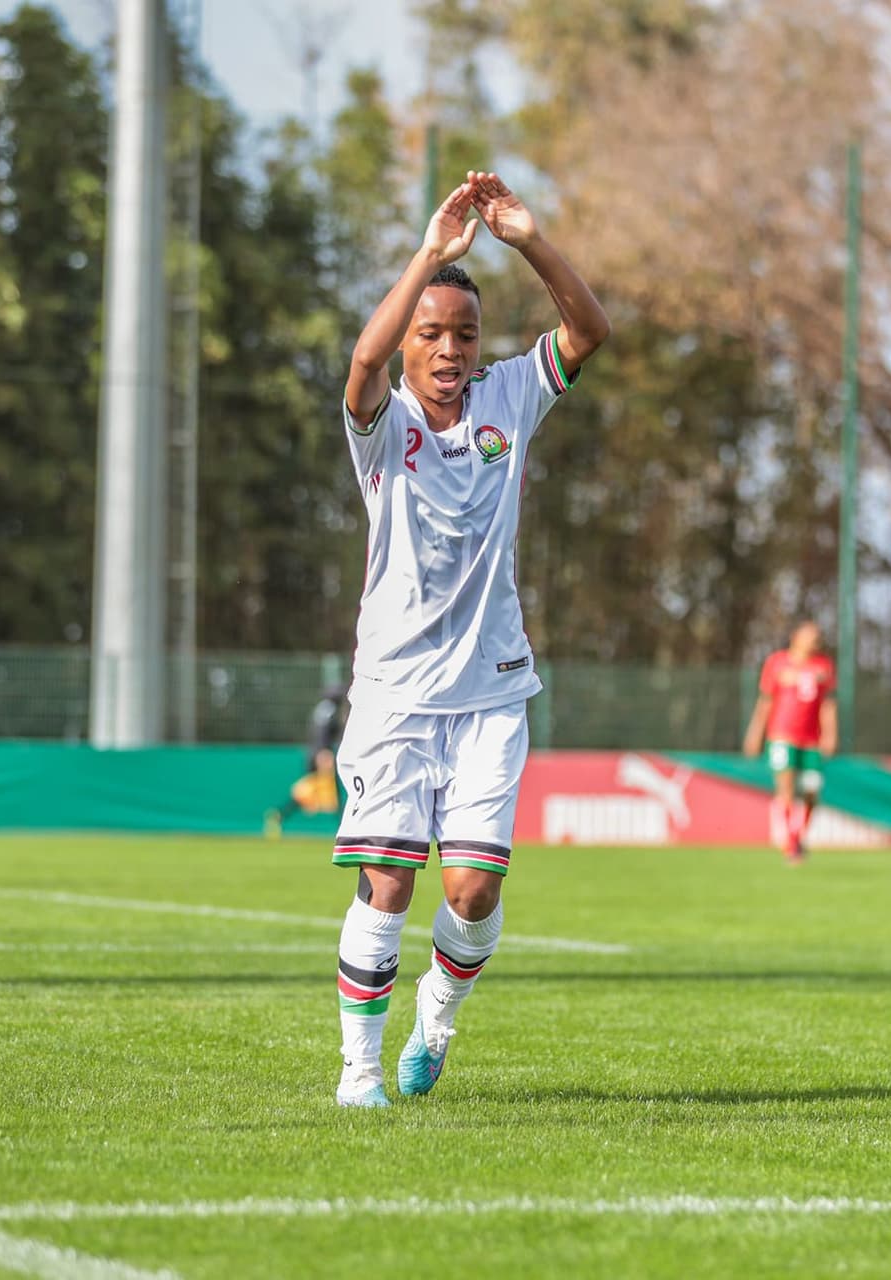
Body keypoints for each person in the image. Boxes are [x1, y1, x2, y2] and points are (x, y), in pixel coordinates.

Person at [328, 171, 609, 1108]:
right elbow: (361, 364)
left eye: (464, 335)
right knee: (388, 883)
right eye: (431, 335)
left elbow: (589, 333)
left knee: (474, 893)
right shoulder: (383, 425)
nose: (449, 349)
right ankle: (359, 1071)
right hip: (395, 695)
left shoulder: (509, 400)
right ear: (409, 343)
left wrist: (528, 240)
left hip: (492, 689)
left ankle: (437, 1020)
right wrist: (429, 255)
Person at [742, 621, 839, 863]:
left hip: (811, 740)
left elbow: (828, 704)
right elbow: (765, 700)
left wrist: (830, 734)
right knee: (785, 789)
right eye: (810, 635)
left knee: (812, 788)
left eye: (817, 636)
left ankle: (798, 834)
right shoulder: (776, 663)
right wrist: (755, 733)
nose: (815, 640)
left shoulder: (824, 665)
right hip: (781, 736)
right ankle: (790, 841)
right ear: (796, 637)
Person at [267, 683, 348, 835]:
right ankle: (343, 827)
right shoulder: (328, 710)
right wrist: (322, 752)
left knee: (315, 791)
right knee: (327, 792)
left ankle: (280, 814)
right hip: (321, 755)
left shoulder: (322, 709)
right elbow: (321, 733)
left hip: (315, 753)